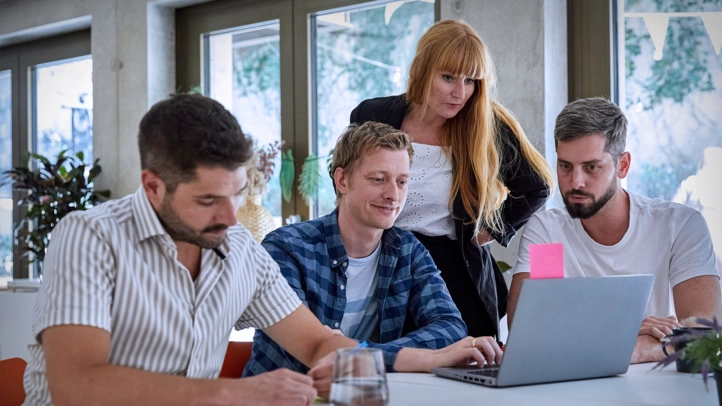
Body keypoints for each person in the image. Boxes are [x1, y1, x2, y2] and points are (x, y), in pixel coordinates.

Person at [23, 93, 375, 406]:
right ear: (153, 186)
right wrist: (234, 394)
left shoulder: (239, 248)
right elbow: (77, 387)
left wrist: (348, 363)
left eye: (236, 192)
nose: (231, 216)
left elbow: (315, 343)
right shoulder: (89, 237)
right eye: (208, 200)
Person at [243, 122, 502, 397]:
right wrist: (425, 358)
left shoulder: (407, 250)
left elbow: (450, 327)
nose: (393, 195)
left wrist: (357, 354)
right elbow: (307, 355)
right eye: (378, 179)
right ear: (342, 180)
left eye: (402, 181)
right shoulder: (286, 248)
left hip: (361, 397)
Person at [350, 20, 554, 339]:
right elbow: (348, 179)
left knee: (467, 368)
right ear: (423, 69)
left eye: (471, 80)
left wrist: (491, 229)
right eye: (448, 77)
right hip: (383, 261)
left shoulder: (485, 123)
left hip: (454, 269)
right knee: (390, 365)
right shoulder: (372, 115)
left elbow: (537, 185)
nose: (460, 93)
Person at [508, 97, 721, 364]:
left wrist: (632, 349)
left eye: (592, 167)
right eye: (565, 166)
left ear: (623, 165)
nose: (576, 182)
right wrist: (627, 336)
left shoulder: (678, 226)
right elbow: (529, 334)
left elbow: (704, 336)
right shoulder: (548, 233)